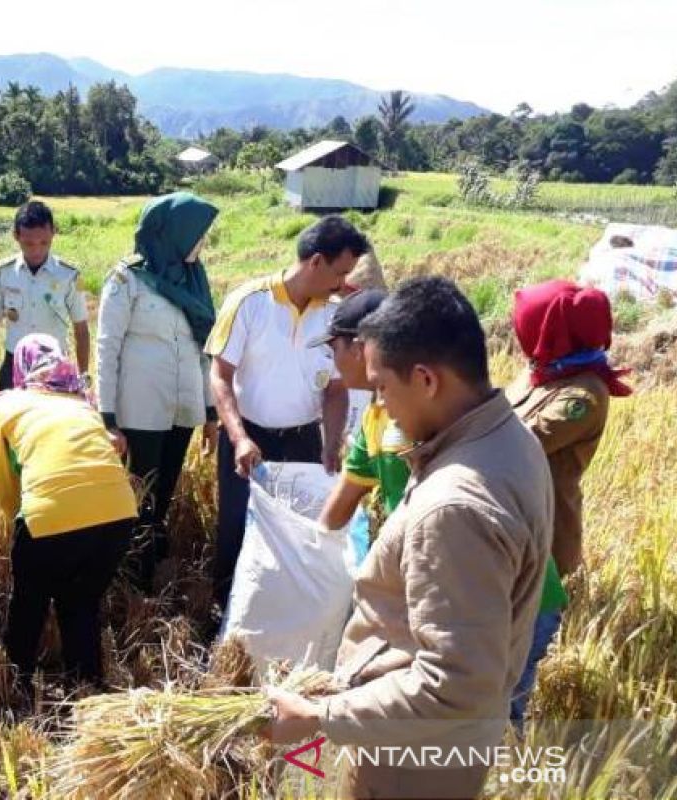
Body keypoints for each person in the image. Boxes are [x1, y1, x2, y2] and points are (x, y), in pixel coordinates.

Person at [266, 277, 554, 800]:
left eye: (381, 389)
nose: (380, 405)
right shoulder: (507, 436)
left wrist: (318, 716)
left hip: (412, 762)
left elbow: (455, 685)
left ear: (425, 379)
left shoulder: (455, 506)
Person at [205, 215, 367, 608]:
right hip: (249, 442)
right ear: (315, 262)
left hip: (303, 441)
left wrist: (331, 443)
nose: (343, 283)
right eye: (339, 272)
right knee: (235, 531)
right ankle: (225, 620)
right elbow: (220, 375)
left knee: (296, 534)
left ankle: (280, 615)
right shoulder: (248, 302)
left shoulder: (333, 314)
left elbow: (335, 388)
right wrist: (239, 437)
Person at [507, 279, 631, 727]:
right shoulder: (541, 372)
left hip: (545, 540)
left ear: (554, 332)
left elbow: (520, 439)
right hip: (507, 526)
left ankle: (507, 757)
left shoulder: (584, 395)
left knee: (517, 663)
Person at [0, 334, 137, 687]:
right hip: (119, 514)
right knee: (81, 605)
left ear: (21, 369)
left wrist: (20, 519)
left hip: (50, 514)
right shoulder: (82, 403)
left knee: (29, 606)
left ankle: (15, 690)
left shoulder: (4, 404)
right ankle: (86, 693)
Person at [96, 192, 219, 590]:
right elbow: (107, 347)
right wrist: (108, 418)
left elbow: (205, 351)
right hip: (139, 413)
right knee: (137, 496)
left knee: (163, 493)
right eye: (198, 234)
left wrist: (210, 412)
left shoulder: (195, 280)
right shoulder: (127, 278)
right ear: (174, 233)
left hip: (181, 409)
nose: (203, 242)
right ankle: (129, 576)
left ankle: (150, 569)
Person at [314, 289, 411, 534]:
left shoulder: (417, 412)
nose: (333, 362)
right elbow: (345, 496)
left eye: (334, 350)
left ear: (358, 350)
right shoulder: (374, 416)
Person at [0, 200, 90, 403]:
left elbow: (81, 330)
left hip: (55, 369)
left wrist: (83, 379)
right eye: (28, 243)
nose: (36, 250)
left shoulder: (70, 276)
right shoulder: (3, 273)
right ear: (16, 236)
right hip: (14, 366)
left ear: (53, 233)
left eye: (44, 243)